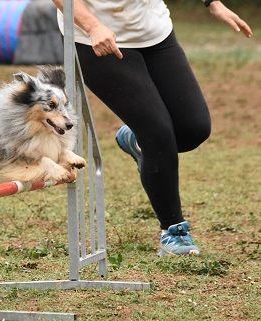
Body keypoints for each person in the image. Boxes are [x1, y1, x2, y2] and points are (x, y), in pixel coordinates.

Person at [51, 0, 252, 256]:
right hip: (96, 38)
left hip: (154, 31)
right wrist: (93, 26)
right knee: (157, 132)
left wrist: (212, 3)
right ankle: (173, 231)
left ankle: (136, 140)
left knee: (194, 129)